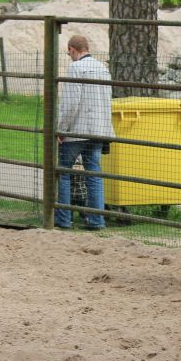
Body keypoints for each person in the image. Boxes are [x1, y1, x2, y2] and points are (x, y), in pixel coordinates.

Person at [55, 35, 114, 230]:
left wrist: (61, 129)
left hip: (76, 131)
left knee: (64, 172)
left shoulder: (75, 68)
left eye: (69, 52)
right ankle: (97, 220)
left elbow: (71, 103)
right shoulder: (103, 69)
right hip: (97, 130)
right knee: (94, 174)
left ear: (72, 49)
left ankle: (63, 219)